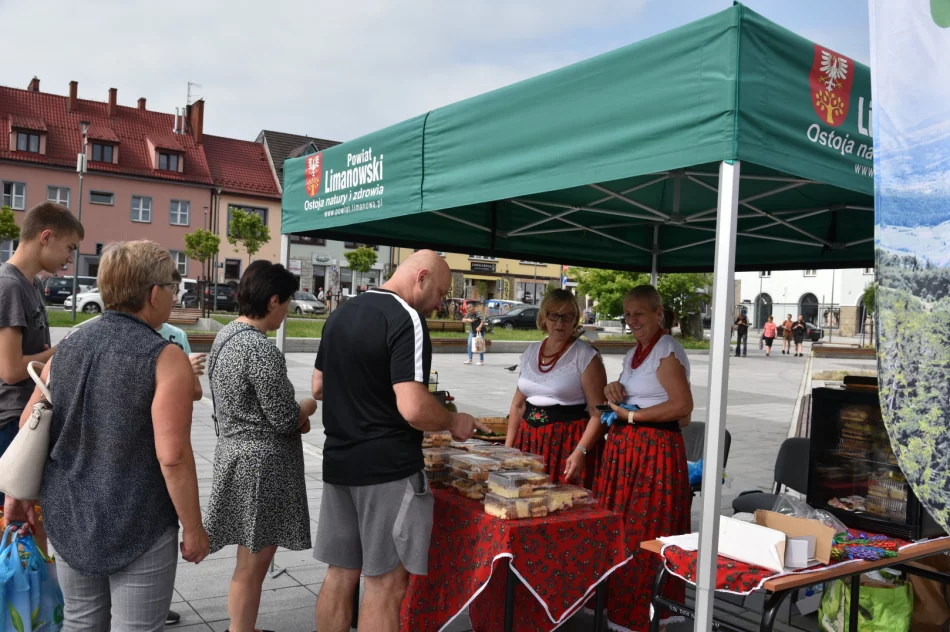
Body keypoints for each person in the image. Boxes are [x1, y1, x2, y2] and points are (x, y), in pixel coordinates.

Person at [4, 240, 209, 632]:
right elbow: (173, 457)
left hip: (70, 515)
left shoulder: (68, 347)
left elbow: (30, 420)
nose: (175, 294)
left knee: (80, 624)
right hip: (140, 520)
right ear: (153, 294)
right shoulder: (166, 358)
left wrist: (18, 493)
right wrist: (194, 528)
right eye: (172, 286)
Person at [311, 250, 484, 632]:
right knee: (384, 585)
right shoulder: (406, 317)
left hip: (339, 462)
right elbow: (413, 408)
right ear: (420, 277)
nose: (441, 304)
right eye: (440, 293)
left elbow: (318, 386)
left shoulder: (341, 313)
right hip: (387, 470)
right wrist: (454, 420)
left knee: (340, 574)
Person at [203, 261, 317, 632]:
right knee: (253, 566)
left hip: (234, 457)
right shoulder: (260, 349)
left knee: (246, 562)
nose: (287, 311)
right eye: (286, 302)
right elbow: (285, 417)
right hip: (261, 469)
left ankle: (242, 628)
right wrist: (309, 406)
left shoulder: (226, 337)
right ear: (272, 301)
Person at [589, 285, 692, 631]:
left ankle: (642, 610)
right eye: (628, 314)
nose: (632, 320)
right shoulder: (638, 351)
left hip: (653, 453)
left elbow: (682, 408)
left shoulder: (666, 349)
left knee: (644, 530)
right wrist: (613, 389)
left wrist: (632, 417)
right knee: (621, 526)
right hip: (629, 450)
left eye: (640, 313)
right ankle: (616, 603)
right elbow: (639, 392)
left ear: (658, 313)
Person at [0, 202, 82, 507]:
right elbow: (9, 370)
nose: (70, 258)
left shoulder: (31, 283)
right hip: (12, 421)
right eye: (69, 247)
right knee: (14, 524)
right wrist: (64, 350)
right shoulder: (9, 286)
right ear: (45, 236)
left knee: (31, 521)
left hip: (28, 415)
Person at [504, 289, 607, 486]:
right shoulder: (531, 352)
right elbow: (518, 405)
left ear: (575, 319)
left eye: (567, 316)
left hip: (567, 443)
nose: (560, 323)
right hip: (528, 441)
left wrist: (581, 451)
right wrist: (507, 449)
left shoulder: (585, 356)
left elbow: (599, 412)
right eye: (554, 315)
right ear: (544, 317)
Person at [158, 320, 204, 401]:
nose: (173, 306)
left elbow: (197, 392)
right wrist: (184, 371)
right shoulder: (132, 334)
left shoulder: (179, 334)